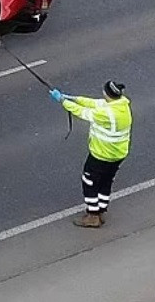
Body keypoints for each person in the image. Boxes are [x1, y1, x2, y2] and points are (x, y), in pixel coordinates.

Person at [49, 80, 132, 228]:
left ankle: (92, 216)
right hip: (118, 154)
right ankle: (100, 210)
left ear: (107, 94)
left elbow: (83, 112)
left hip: (102, 154)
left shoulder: (106, 113)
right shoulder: (121, 105)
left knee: (89, 181)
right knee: (106, 181)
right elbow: (94, 103)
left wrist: (62, 101)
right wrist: (72, 98)